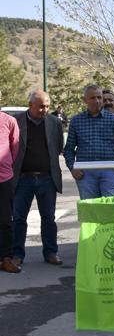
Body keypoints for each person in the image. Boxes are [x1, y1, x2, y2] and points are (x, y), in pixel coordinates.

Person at [12, 90, 65, 266]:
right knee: (19, 218)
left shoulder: (55, 122)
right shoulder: (17, 121)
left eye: (48, 106)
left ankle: (51, 252)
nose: (45, 110)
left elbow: (58, 148)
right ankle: (17, 255)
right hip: (22, 179)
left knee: (49, 218)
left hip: (47, 179)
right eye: (41, 106)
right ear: (30, 105)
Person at [63, 84, 114, 199]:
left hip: (109, 171)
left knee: (112, 208)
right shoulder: (76, 121)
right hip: (85, 174)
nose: (97, 101)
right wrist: (72, 168)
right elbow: (69, 149)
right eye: (92, 98)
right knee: (91, 211)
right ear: (85, 100)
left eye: (99, 97)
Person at [0, 90, 21, 273]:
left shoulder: (9, 121)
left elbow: (14, 150)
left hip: (4, 179)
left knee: (6, 221)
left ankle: (5, 259)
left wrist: (4, 165)